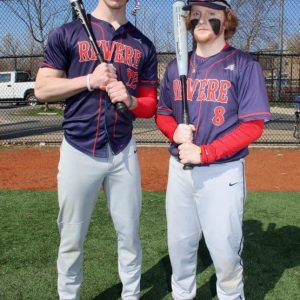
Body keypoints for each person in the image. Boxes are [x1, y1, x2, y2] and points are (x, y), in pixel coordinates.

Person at [34, 0, 158, 299]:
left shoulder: (143, 44)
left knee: (129, 235)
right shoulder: (67, 32)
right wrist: (90, 80)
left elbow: (150, 104)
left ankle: (131, 295)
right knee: (71, 238)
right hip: (79, 148)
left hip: (122, 150)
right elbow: (42, 89)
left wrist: (129, 101)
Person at [156, 0, 271, 299]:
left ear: (227, 19)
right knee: (180, 250)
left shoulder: (245, 66)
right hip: (180, 170)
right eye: (196, 15)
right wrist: (174, 131)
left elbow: (252, 127)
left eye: (211, 15)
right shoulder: (175, 67)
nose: (202, 20)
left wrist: (205, 153)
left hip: (223, 173)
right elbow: (163, 112)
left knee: (225, 253)